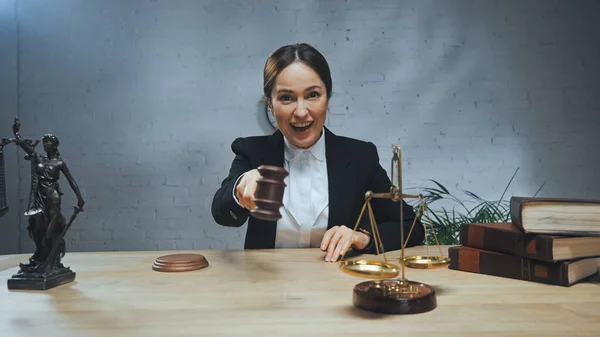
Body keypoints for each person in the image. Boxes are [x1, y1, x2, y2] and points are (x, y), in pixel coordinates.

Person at [211, 43, 424, 262]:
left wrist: (363, 237)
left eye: (312, 95)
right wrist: (239, 188)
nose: (301, 112)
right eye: (286, 98)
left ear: (327, 99)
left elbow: (412, 227)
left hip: (337, 286)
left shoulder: (360, 157)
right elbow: (222, 215)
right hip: (266, 286)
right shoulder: (253, 151)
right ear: (270, 104)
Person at [15, 133, 85, 271]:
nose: (46, 144)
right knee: (35, 228)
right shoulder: (39, 158)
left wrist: (79, 198)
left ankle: (50, 260)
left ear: (55, 145)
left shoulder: (59, 163)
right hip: (39, 196)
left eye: (49, 142)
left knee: (50, 229)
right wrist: (17, 135)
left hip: (53, 195)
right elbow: (27, 148)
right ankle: (39, 258)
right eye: (44, 142)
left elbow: (71, 181)